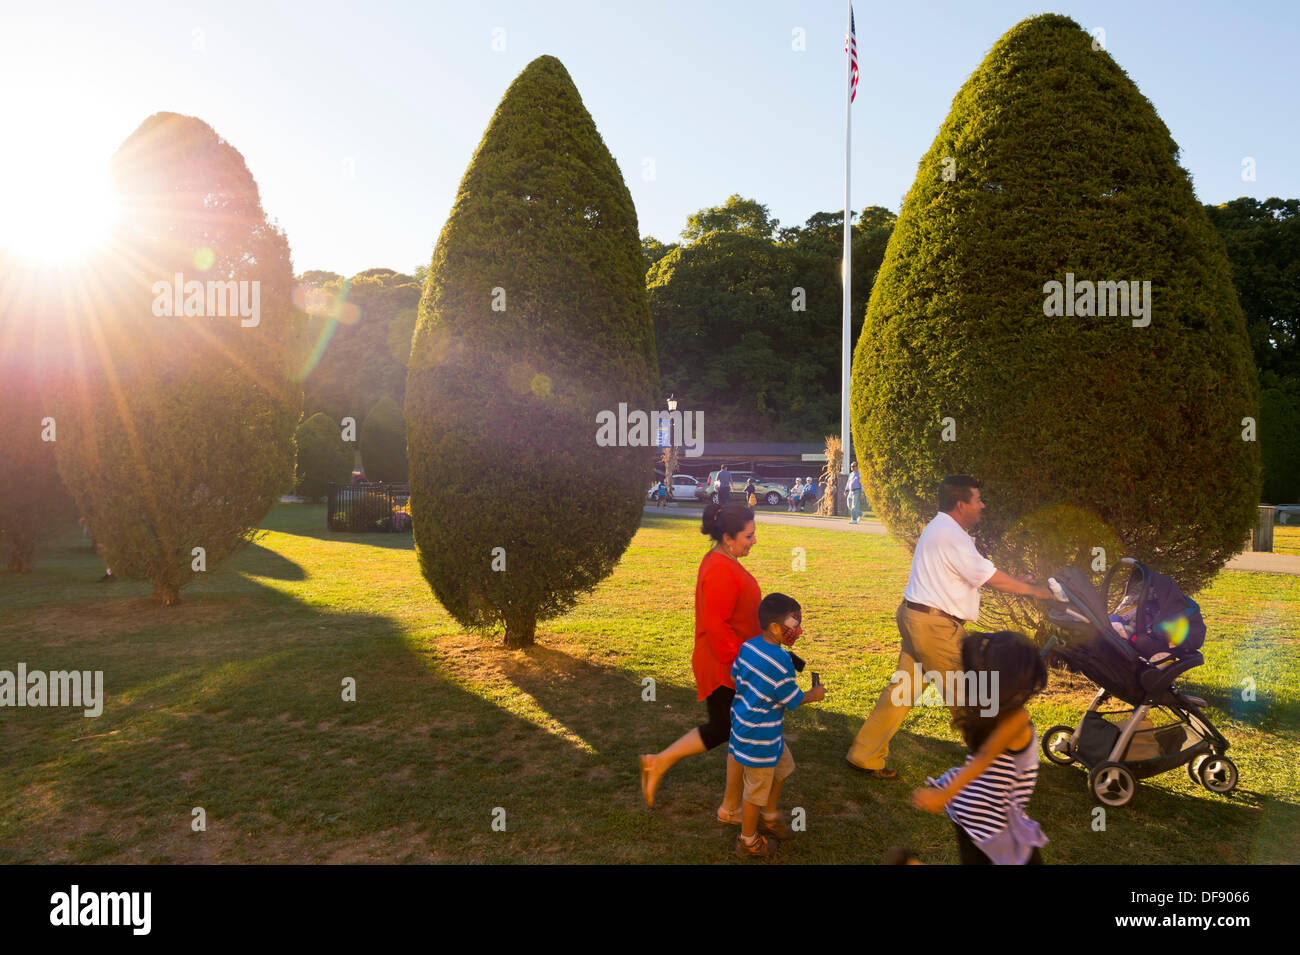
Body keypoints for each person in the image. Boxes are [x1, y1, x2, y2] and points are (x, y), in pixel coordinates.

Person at [845, 475, 1057, 777]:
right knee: (970, 693)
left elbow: (973, 574)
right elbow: (991, 577)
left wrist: (1019, 582)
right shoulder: (951, 535)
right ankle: (998, 769)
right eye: (978, 500)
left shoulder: (941, 528)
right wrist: (1037, 591)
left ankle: (864, 754)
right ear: (961, 504)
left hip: (915, 617)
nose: (982, 505)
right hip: (934, 626)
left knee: (902, 691)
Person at [641, 502, 758, 822]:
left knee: (729, 730)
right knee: (733, 730)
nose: (754, 541)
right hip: (723, 664)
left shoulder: (723, 559)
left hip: (728, 660)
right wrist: (744, 664)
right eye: (748, 536)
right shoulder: (720, 567)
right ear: (728, 537)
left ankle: (728, 806)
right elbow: (716, 625)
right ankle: (730, 806)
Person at [910, 630, 1049, 865]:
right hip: (993, 819)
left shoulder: (990, 712)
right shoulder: (1016, 719)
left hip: (973, 810)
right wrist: (944, 793)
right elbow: (983, 757)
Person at [729, 592, 826, 858]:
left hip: (750, 730)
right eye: (794, 625)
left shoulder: (748, 647)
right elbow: (792, 700)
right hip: (760, 739)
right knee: (755, 791)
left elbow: (735, 674)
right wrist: (814, 695)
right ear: (774, 627)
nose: (799, 630)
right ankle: (748, 840)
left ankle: (769, 816)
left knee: (783, 768)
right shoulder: (781, 661)